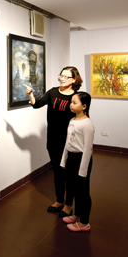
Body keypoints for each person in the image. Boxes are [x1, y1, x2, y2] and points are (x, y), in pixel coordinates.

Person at [25, 66, 83, 217]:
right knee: (57, 171)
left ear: (74, 79)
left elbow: (83, 119)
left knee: (69, 174)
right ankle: (59, 200)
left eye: (66, 76)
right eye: (61, 75)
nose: (62, 78)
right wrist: (31, 94)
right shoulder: (52, 92)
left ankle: (69, 204)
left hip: (71, 141)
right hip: (53, 139)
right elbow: (36, 104)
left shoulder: (77, 97)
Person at [60, 91, 95, 232]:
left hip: (81, 159)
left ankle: (84, 222)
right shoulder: (72, 121)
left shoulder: (87, 124)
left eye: (75, 103)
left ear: (84, 106)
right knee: (73, 188)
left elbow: (88, 149)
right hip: (71, 158)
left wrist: (83, 170)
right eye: (71, 102)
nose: (71, 105)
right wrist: (63, 160)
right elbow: (68, 143)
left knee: (83, 192)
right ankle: (77, 215)